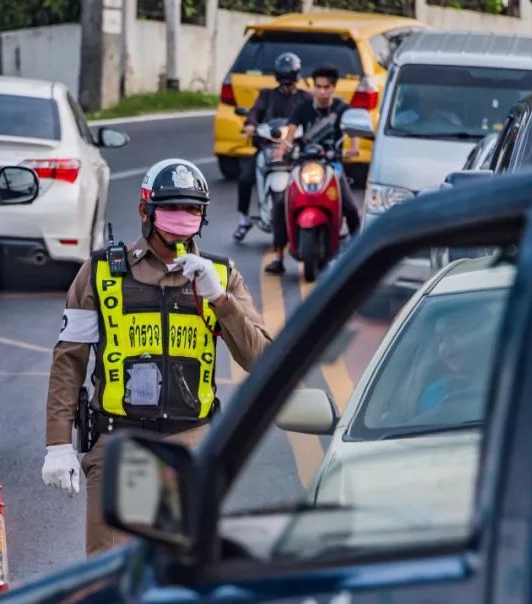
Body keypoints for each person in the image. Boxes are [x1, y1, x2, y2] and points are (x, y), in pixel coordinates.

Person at [41, 158, 272, 556]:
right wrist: (57, 443)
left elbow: (261, 359)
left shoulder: (221, 276)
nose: (182, 219)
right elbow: (69, 360)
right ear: (145, 211)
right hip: (120, 444)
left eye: (192, 209)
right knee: (113, 574)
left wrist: (220, 299)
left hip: (191, 446)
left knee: (184, 572)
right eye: (171, 208)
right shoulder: (100, 272)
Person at [266, 64, 362, 275]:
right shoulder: (303, 108)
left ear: (333, 88)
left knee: (351, 208)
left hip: (332, 166)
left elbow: (354, 134)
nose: (322, 91)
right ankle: (279, 257)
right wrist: (282, 150)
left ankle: (359, 255)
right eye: (318, 86)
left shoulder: (342, 110)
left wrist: (353, 149)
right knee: (281, 203)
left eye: (326, 87)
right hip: (303, 164)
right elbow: (290, 133)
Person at [233, 52, 312, 243]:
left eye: (290, 82)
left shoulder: (305, 98)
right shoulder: (266, 95)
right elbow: (255, 112)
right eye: (284, 82)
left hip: (296, 150)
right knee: (245, 177)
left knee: (313, 179)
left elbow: (313, 118)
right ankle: (244, 219)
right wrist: (250, 125)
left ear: (297, 77)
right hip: (268, 147)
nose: (287, 86)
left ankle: (309, 216)